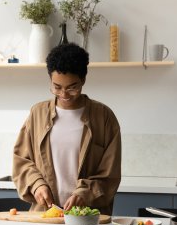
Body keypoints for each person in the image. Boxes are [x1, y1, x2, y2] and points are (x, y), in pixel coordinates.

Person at [12, 43, 121, 215]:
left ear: (83, 79)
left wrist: (85, 193)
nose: (64, 94)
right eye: (57, 87)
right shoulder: (37, 114)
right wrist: (37, 184)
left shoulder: (104, 117)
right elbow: (21, 161)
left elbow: (110, 175)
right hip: (45, 215)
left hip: (88, 217)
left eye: (72, 87)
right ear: (50, 79)